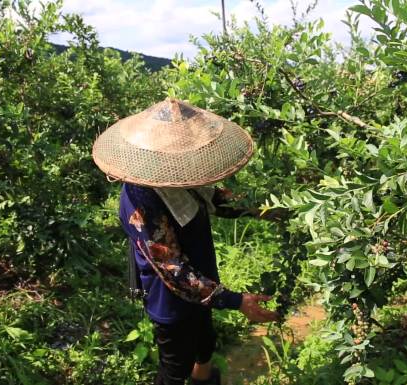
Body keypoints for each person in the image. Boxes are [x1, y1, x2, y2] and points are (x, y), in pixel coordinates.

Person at [92, 98, 279, 385]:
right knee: (174, 368)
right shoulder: (141, 198)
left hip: (203, 285)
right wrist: (235, 301)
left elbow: (217, 201)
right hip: (172, 301)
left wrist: (270, 209)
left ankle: (204, 379)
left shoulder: (179, 174)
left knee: (204, 346)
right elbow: (172, 269)